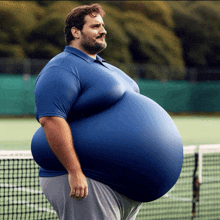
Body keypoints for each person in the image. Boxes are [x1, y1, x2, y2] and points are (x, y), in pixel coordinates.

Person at [31, 3, 183, 220]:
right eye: (95, 26)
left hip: (122, 186)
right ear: (75, 31)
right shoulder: (62, 67)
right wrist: (75, 172)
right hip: (88, 179)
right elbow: (51, 119)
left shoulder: (106, 67)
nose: (103, 30)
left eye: (102, 25)